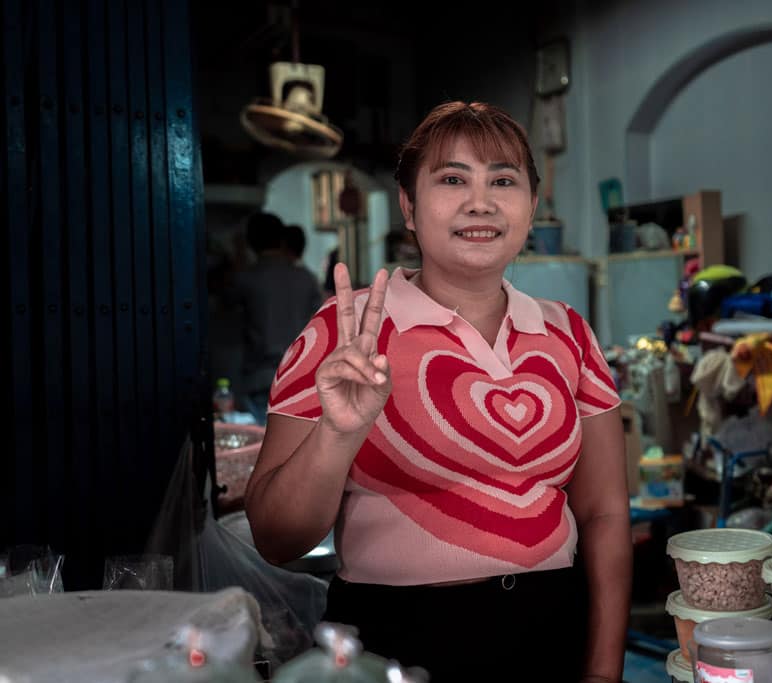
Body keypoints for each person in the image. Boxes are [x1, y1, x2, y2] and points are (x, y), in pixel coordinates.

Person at [245, 102, 631, 682]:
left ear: (531, 204)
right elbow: (277, 538)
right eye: (452, 179)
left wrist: (602, 671)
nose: (481, 202)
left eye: (504, 180)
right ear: (408, 204)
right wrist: (338, 433)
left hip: (554, 633)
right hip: (397, 643)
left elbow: (603, 513)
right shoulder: (344, 332)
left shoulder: (567, 332)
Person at [226, 212, 323, 424]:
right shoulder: (306, 278)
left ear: (251, 243)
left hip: (260, 376)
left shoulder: (246, 279)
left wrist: (237, 256)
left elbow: (225, 310)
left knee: (267, 444)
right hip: (302, 375)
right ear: (281, 240)